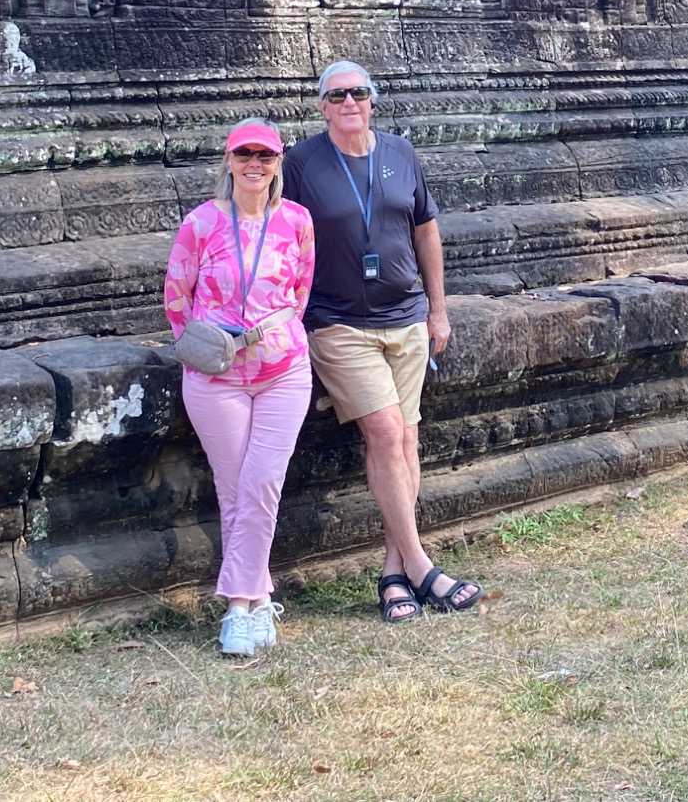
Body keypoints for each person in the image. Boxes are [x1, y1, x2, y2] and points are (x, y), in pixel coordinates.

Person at [283, 60, 484, 623]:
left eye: (358, 92)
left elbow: (425, 230)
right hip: (339, 322)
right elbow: (283, 236)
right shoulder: (301, 164)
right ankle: (423, 566)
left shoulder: (400, 153)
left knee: (407, 439)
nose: (349, 102)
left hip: (406, 317)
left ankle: (394, 574)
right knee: (387, 432)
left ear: (373, 100)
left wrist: (438, 310)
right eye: (337, 95)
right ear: (322, 107)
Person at [164, 120, 316, 657]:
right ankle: (252, 602)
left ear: (278, 164)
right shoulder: (201, 222)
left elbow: (300, 291)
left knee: (263, 482)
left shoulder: (296, 220)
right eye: (245, 154)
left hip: (283, 369)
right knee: (235, 489)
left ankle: (240, 605)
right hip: (216, 373)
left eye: (265, 156)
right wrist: (206, 346)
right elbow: (176, 295)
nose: (255, 164)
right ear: (229, 161)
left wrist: (268, 338)